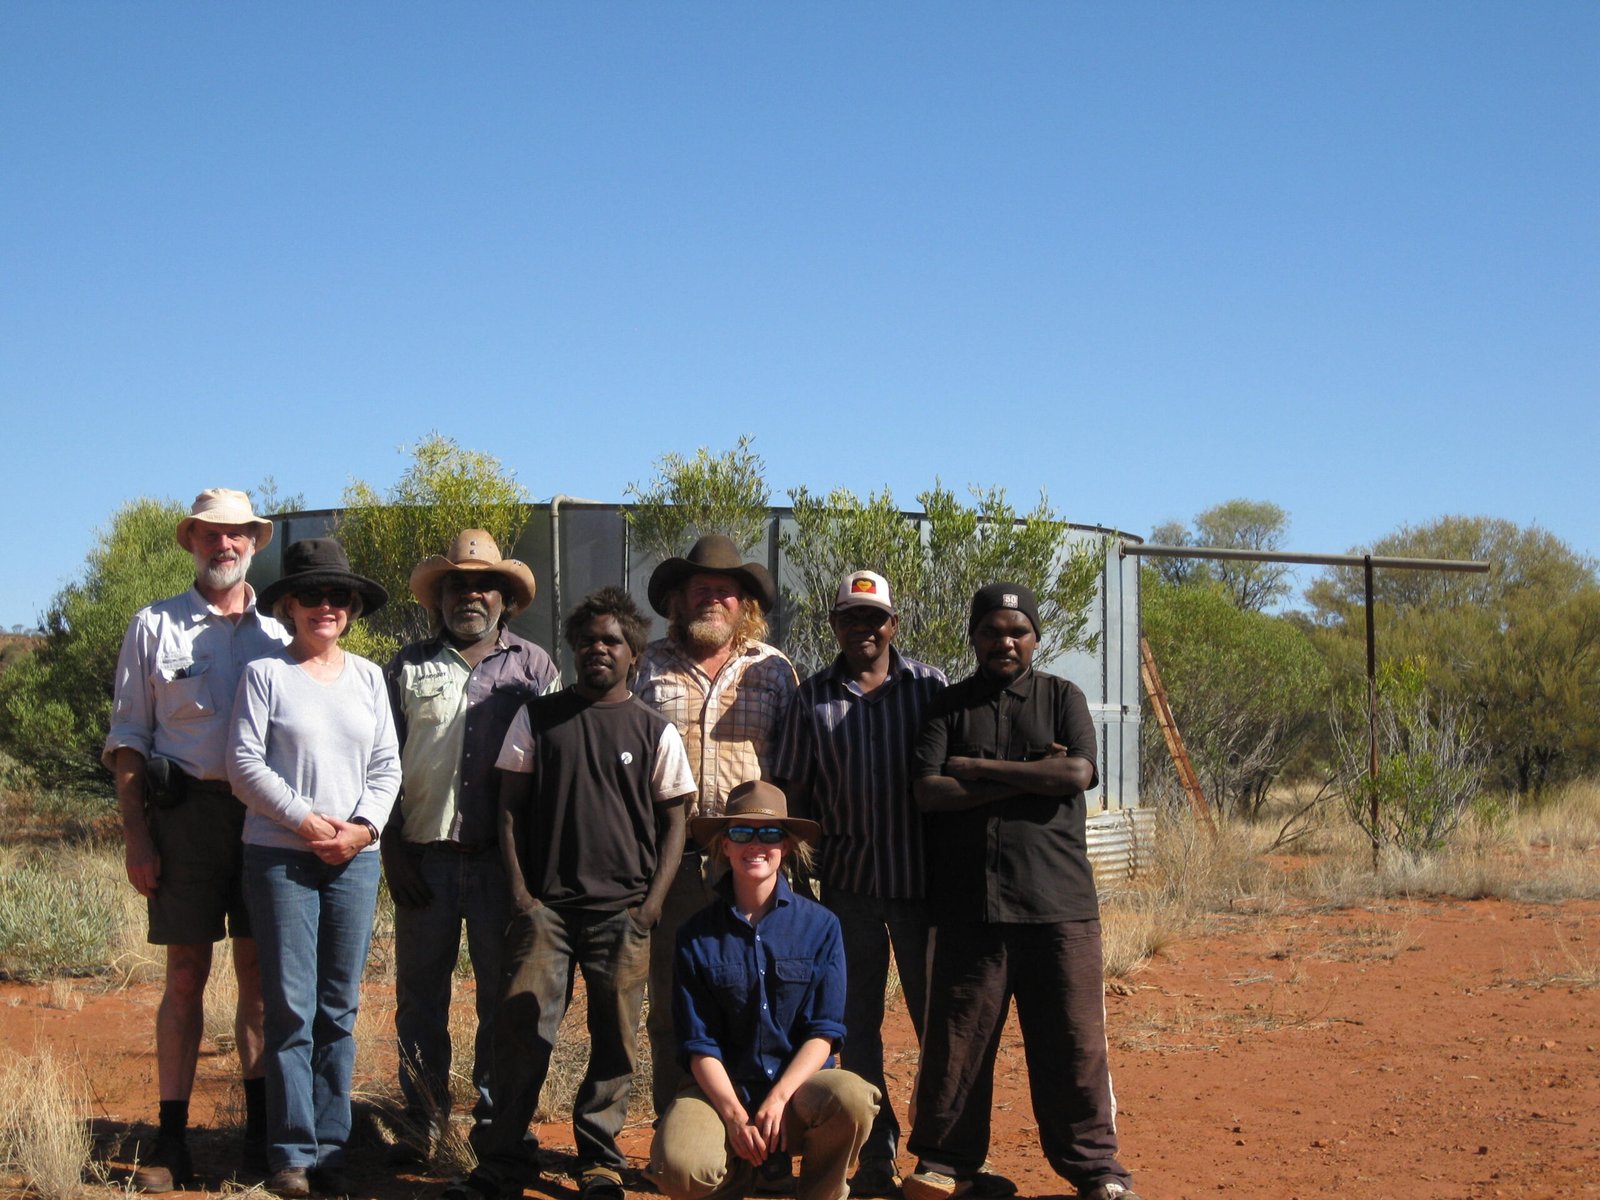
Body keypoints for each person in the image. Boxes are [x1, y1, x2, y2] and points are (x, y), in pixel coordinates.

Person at [449, 586, 696, 1200]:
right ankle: (503, 1157)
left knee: (616, 1040)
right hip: (548, 911)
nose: (597, 649)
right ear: (573, 649)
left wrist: (650, 907)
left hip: (623, 913)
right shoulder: (538, 718)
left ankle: (600, 1161)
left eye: (611, 641)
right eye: (586, 640)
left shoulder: (654, 730)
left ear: (634, 653)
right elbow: (508, 809)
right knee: (520, 1031)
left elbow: (676, 821)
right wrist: (522, 896)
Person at [903, 584, 1139, 1200]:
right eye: (991, 630)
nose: (1004, 642)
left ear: (1035, 638)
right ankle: (946, 1164)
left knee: (1073, 1044)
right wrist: (1037, 776)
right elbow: (929, 791)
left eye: (1017, 631)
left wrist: (977, 769)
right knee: (957, 1045)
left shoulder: (1063, 697)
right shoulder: (948, 706)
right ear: (973, 636)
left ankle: (1097, 1171)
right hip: (967, 909)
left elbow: (1077, 772)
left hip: (1059, 908)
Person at [104, 487, 287, 1189]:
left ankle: (258, 1141)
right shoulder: (153, 626)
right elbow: (129, 738)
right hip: (183, 819)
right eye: (211, 534)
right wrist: (137, 836)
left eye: (237, 534)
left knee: (259, 978)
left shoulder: (281, 631)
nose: (224, 544)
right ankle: (170, 1142)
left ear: (253, 544)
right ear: (191, 542)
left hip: (265, 817)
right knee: (185, 973)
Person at [227, 538, 402, 1200]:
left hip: (355, 859)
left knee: (339, 1005)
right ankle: (292, 1153)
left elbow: (386, 765)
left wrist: (362, 830)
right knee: (290, 1007)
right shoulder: (265, 676)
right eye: (310, 595)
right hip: (280, 857)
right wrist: (305, 822)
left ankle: (333, 1148)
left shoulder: (368, 678)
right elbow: (244, 764)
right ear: (289, 607)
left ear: (351, 608)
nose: (324, 606)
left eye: (337, 596)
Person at [383, 529, 560, 1160]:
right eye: (458, 584)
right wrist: (392, 847)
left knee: (501, 1000)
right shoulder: (406, 666)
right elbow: (381, 763)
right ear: (440, 596)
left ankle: (495, 1124)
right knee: (419, 1000)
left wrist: (532, 869)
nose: (471, 595)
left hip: (501, 865)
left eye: (485, 585)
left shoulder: (535, 668)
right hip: (423, 859)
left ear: (504, 598)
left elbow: (549, 769)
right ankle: (423, 1121)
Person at [772, 571, 950, 1198]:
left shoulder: (929, 687)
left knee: (937, 1021)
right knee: (856, 1022)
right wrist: (800, 875)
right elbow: (794, 790)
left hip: (922, 886)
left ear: (892, 624)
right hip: (847, 887)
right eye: (850, 617)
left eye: (874, 618)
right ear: (835, 625)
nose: (863, 629)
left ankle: (943, 1151)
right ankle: (877, 1151)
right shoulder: (812, 698)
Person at [647, 780, 879, 1200]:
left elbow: (824, 1032)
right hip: (721, 1094)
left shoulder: (821, 926)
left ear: (785, 846)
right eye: (741, 832)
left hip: (798, 1094)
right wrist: (735, 1116)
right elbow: (698, 1044)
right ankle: (739, 1175)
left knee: (853, 1099)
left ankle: (820, 1193)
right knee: (679, 1166)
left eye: (770, 833)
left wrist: (779, 1098)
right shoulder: (695, 934)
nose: (756, 844)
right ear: (724, 845)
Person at [635, 534, 799, 1116]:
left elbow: (792, 766)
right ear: (678, 600)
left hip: (752, 856)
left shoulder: (774, 670)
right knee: (670, 1001)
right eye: (700, 588)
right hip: (670, 860)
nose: (712, 598)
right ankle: (678, 1125)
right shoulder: (647, 665)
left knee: (757, 994)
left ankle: (755, 1128)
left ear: (743, 603)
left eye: (724, 590)